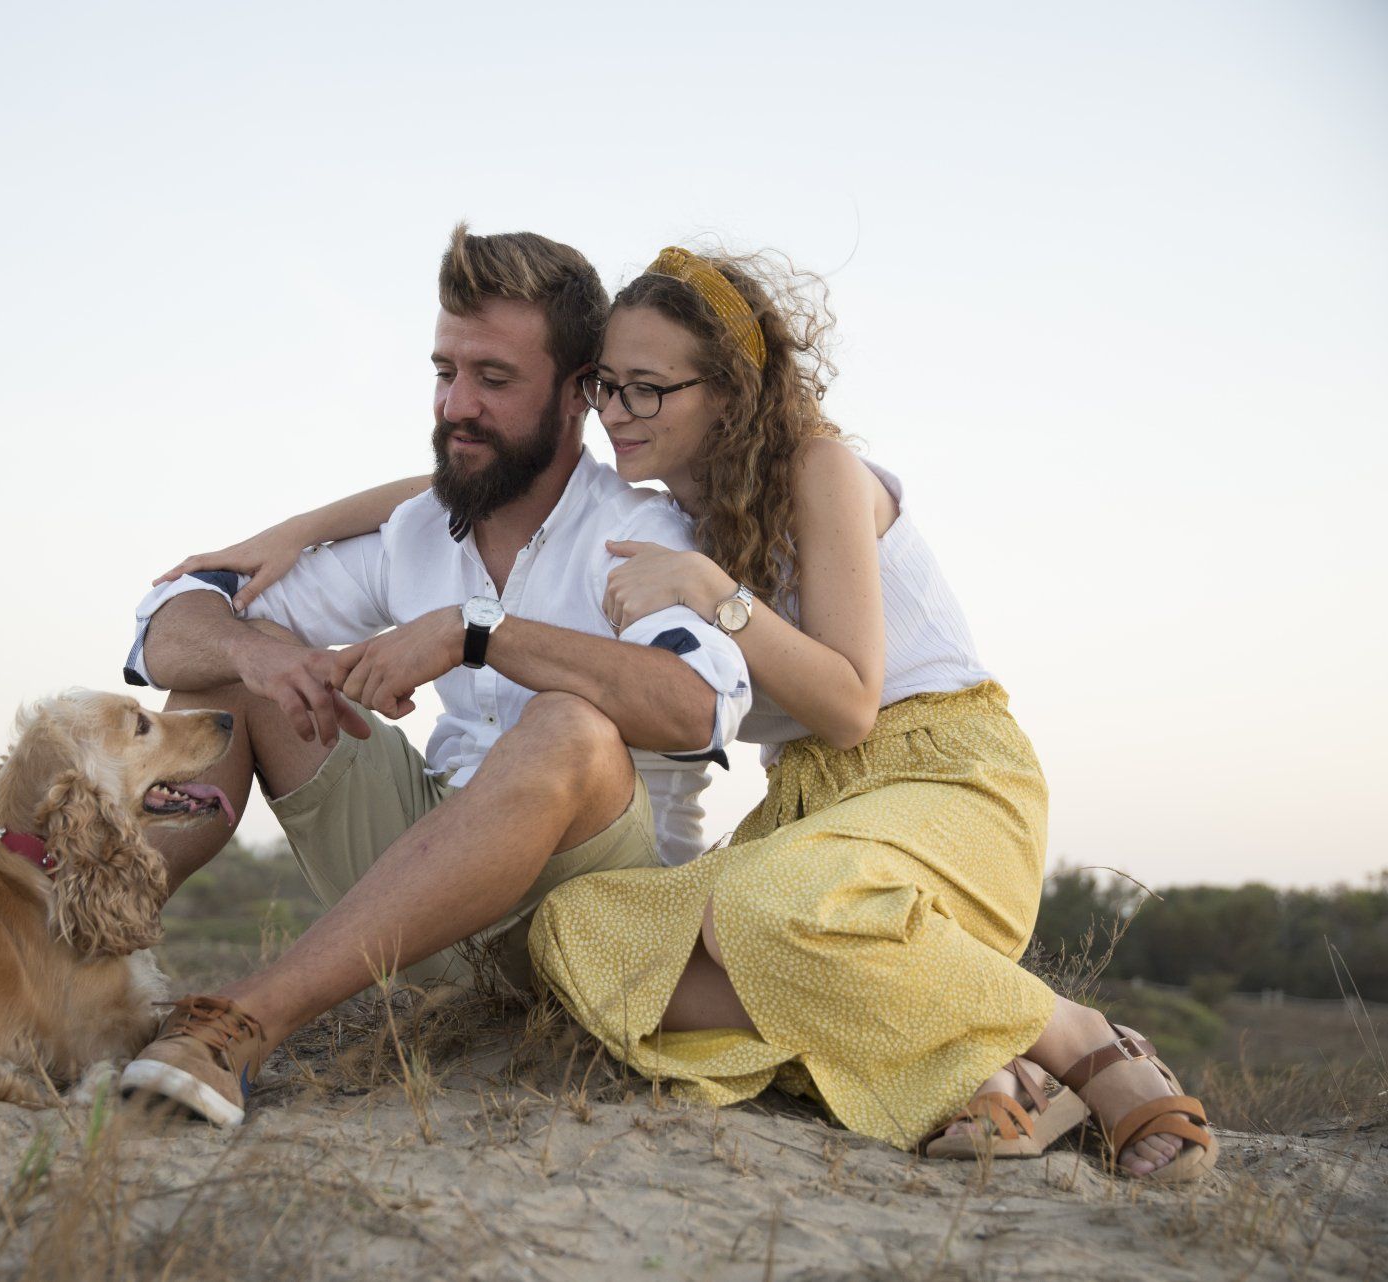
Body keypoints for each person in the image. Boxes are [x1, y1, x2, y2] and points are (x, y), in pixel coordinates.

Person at [163, 244, 1217, 1181]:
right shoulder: (682, 508)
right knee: (587, 941)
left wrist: (708, 593)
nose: (618, 414)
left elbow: (851, 701)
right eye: (608, 389)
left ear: (731, 390)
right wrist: (304, 524)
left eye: (647, 391)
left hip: (939, 772)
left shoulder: (819, 468)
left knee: (760, 919)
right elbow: (511, 470)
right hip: (812, 808)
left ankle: (1080, 1038)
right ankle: (973, 1059)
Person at [116, 226, 751, 1127]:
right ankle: (80, 958)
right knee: (228, 686)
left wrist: (478, 632)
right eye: (445, 372)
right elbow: (169, 621)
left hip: (591, 911)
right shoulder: (421, 529)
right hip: (424, 894)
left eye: (494, 379)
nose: (458, 404)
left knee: (571, 727)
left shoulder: (641, 535)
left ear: (578, 394)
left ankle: (247, 1022)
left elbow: (698, 707)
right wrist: (258, 653)